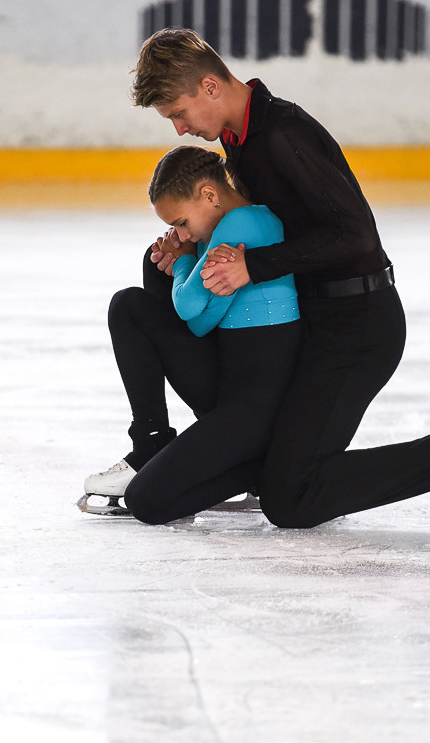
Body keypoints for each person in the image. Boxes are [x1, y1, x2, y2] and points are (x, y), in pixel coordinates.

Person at [126, 27, 430, 530]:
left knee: (292, 498)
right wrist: (188, 244)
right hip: (316, 324)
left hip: (358, 328)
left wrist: (252, 267)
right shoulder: (241, 141)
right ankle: (205, 463)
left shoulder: (281, 133)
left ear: (210, 87)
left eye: (178, 113)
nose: (178, 129)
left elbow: (356, 238)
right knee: (280, 478)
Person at [80, 145, 301, 524]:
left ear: (209, 195)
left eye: (181, 222)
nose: (180, 233)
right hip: (233, 392)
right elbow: (198, 323)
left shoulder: (243, 226)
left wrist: (183, 260)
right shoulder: (225, 229)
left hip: (253, 411)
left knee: (147, 501)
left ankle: (252, 468)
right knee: (134, 301)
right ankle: (152, 442)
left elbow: (186, 307)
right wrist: (187, 255)